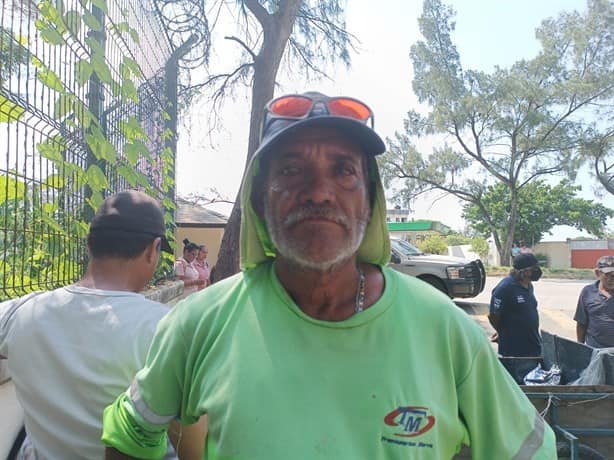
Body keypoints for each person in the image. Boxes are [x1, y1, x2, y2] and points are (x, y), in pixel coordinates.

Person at [102, 92, 555, 459]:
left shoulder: (446, 332)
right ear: (259, 201)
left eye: (343, 171)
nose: (319, 192)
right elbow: (130, 436)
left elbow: (528, 450)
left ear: (370, 202)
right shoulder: (198, 324)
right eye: (292, 170)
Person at [0, 191, 205, 459]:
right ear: (152, 250)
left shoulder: (21, 313)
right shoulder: (166, 329)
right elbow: (195, 444)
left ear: (89, 244)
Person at [488, 252, 543, 357]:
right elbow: (493, 316)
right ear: (524, 271)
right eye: (534, 268)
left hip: (532, 344)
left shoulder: (528, 285)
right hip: (514, 350)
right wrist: (502, 332)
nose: (538, 271)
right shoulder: (505, 288)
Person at [574, 255, 614, 348]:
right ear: (597, 273)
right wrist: (580, 347)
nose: (612, 279)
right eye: (607, 274)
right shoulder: (588, 292)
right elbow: (581, 322)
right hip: (595, 351)